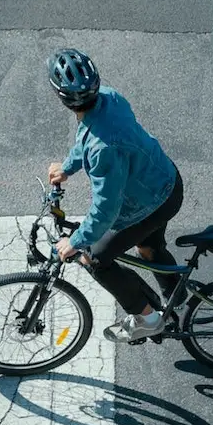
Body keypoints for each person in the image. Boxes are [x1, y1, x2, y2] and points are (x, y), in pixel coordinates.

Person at [46, 48, 184, 343]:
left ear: (62, 98)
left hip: (148, 204)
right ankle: (178, 296)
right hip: (166, 182)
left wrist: (77, 241)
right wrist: (68, 168)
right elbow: (89, 135)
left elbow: (106, 209)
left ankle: (148, 319)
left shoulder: (102, 150)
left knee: (94, 259)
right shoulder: (109, 97)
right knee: (148, 249)